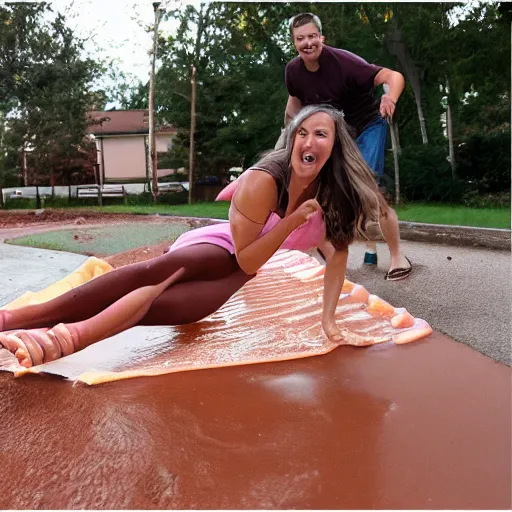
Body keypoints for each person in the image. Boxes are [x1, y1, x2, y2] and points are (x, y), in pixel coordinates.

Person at [0, 105, 387, 368]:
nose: (308, 141)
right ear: (291, 139)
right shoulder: (264, 180)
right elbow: (247, 255)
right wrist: (290, 222)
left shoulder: (336, 196)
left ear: (335, 146)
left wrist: (330, 323)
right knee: (164, 272)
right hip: (225, 246)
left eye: (320, 134)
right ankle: (34, 328)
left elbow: (336, 261)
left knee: (176, 306)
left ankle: (49, 334)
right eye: (301, 132)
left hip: (240, 271)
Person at [278, 12, 411, 280]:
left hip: (367, 127)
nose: (307, 43)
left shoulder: (345, 63)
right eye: (300, 39)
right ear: (294, 42)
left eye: (312, 37)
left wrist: (391, 99)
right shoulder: (293, 70)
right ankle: (332, 261)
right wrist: (290, 132)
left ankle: (398, 257)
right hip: (334, 133)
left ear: (321, 38)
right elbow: (294, 102)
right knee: (319, 193)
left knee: (366, 190)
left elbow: (392, 76)